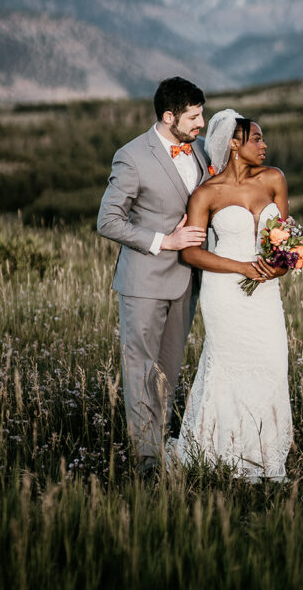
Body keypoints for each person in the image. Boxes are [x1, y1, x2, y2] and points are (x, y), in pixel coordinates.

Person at [170, 108, 293, 482]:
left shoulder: (274, 179)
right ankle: (218, 453)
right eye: (257, 138)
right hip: (225, 292)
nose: (264, 145)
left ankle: (267, 457)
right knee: (226, 368)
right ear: (234, 144)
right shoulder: (206, 194)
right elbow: (190, 252)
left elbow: (284, 242)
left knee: (272, 364)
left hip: (266, 293)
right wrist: (240, 266)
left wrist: (281, 265)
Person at [97, 76, 209, 475]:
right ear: (168, 116)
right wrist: (166, 239)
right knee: (140, 370)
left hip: (186, 283)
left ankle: (157, 445)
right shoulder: (131, 156)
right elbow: (107, 221)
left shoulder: (199, 150)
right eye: (194, 117)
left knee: (167, 372)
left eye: (202, 114)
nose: (201, 124)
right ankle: (146, 462)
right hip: (143, 282)